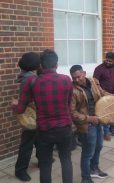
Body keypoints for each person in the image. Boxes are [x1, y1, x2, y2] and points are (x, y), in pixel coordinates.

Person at [11, 49, 73, 183]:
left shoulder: (32, 82)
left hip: (44, 130)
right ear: (56, 64)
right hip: (64, 128)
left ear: (40, 65)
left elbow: (21, 109)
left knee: (45, 166)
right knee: (66, 160)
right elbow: (68, 105)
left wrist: (13, 105)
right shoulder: (67, 80)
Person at [70, 65, 114, 183]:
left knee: (99, 146)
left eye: (78, 77)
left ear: (84, 73)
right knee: (87, 152)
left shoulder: (93, 82)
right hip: (87, 124)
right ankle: (85, 178)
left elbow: (102, 93)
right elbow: (72, 113)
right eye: (73, 78)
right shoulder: (72, 90)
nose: (76, 80)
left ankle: (94, 169)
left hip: (98, 121)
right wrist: (89, 118)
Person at [14, 52, 54, 181]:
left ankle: (42, 161)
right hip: (30, 115)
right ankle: (20, 170)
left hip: (34, 113)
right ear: (34, 64)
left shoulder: (30, 76)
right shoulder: (30, 78)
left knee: (39, 139)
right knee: (27, 144)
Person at [93, 52, 114, 141]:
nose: (108, 62)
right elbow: (95, 84)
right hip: (105, 96)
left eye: (110, 61)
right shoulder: (99, 69)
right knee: (106, 114)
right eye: (107, 60)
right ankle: (106, 133)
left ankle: (113, 129)